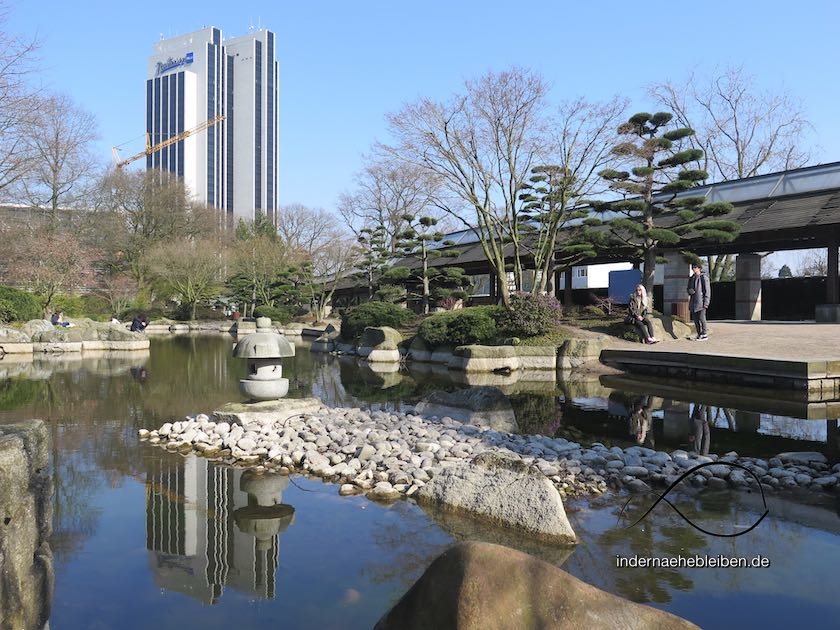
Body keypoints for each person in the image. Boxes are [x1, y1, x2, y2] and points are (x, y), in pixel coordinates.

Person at [687, 262, 711, 340]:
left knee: (702, 318)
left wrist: (706, 303)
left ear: (699, 268)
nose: (693, 269)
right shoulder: (691, 278)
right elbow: (688, 288)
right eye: (693, 267)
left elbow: (707, 291)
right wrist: (689, 291)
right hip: (693, 302)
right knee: (695, 319)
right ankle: (699, 333)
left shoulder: (703, 278)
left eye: (695, 267)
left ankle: (704, 334)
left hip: (701, 302)